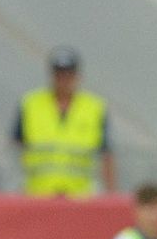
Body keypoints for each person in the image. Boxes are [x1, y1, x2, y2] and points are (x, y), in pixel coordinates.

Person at [13, 46, 116, 197]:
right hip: (38, 195)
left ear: (77, 76)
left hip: (80, 197)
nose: (63, 80)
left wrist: (110, 196)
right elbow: (14, 148)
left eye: (68, 74)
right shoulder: (31, 104)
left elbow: (106, 154)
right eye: (59, 74)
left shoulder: (94, 108)